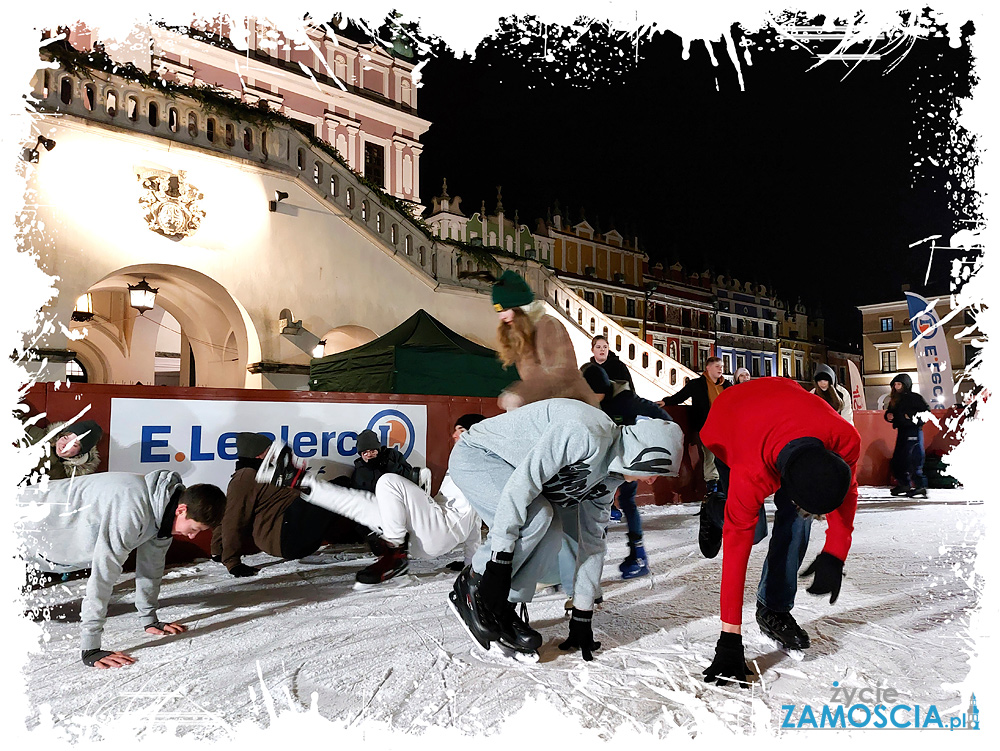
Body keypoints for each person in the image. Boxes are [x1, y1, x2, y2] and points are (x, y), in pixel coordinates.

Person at [446, 398, 683, 661]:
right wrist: (499, 561)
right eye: (657, 470)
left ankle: (502, 606)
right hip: (478, 455)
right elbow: (524, 483)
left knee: (552, 528)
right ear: (645, 453)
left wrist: (583, 613)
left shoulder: (607, 479)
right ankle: (473, 586)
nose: (651, 480)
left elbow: (592, 542)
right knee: (538, 517)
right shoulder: (585, 432)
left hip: (510, 471)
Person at [698, 378, 860, 686]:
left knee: (799, 520)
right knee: (753, 529)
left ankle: (773, 606)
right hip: (732, 418)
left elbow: (848, 490)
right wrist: (729, 638)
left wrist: (836, 552)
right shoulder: (752, 471)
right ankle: (714, 507)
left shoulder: (845, 439)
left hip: (787, 410)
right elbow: (736, 547)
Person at [16, 470, 226, 668]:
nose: (192, 537)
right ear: (182, 510)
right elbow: (103, 575)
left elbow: (151, 569)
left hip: (41, 537)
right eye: (194, 529)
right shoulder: (132, 507)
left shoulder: (163, 511)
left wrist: (149, 619)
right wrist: (91, 647)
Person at [257, 415, 487, 587]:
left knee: (388, 481)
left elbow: (480, 514)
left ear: (476, 432)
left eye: (461, 430)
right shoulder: (461, 462)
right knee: (361, 504)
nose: (454, 435)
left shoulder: (483, 463)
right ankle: (299, 481)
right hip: (425, 534)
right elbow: (474, 521)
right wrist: (470, 563)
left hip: (441, 530)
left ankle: (395, 556)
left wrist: (478, 563)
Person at [209, 432, 360, 578]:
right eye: (269, 450)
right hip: (284, 535)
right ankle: (369, 528)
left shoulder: (271, 472)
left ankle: (352, 532)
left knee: (337, 485)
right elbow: (232, 518)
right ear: (258, 454)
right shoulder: (244, 478)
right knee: (332, 490)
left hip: (293, 528)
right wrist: (230, 561)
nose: (274, 454)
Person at [576, 363, 672, 584]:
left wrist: (654, 461)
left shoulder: (626, 400)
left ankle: (638, 555)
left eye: (594, 393)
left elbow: (663, 417)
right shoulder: (581, 400)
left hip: (625, 463)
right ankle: (587, 558)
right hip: (599, 464)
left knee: (627, 501)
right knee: (595, 507)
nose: (591, 398)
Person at [492, 269, 600, 412]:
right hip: (549, 410)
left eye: (505, 310)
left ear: (520, 308)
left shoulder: (548, 325)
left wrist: (521, 394)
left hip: (573, 408)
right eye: (499, 311)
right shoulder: (522, 335)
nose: (502, 317)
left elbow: (562, 371)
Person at [657, 356, 729, 557]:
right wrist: (666, 401)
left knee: (723, 460)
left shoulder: (727, 385)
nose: (720, 370)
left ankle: (719, 492)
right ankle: (712, 493)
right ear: (707, 368)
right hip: (706, 428)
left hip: (725, 429)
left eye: (721, 367)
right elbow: (681, 396)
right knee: (710, 458)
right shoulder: (698, 384)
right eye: (717, 367)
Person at [883, 373, 931, 498]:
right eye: (895, 384)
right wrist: (888, 416)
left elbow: (926, 413)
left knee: (914, 458)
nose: (897, 387)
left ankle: (920, 486)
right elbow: (890, 412)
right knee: (899, 459)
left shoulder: (914, 398)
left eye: (899, 384)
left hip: (914, 431)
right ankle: (904, 483)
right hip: (902, 431)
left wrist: (911, 417)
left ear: (906, 385)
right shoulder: (895, 399)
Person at [22, 418, 103, 483]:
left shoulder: (68, 478)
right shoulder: (40, 437)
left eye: (74, 445)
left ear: (80, 453)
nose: (64, 445)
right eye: (65, 438)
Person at [350, 428, 430, 494]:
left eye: (372, 451)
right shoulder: (359, 469)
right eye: (365, 453)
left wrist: (388, 464)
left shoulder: (391, 455)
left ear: (378, 450)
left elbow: (410, 476)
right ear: (361, 455)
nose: (369, 455)